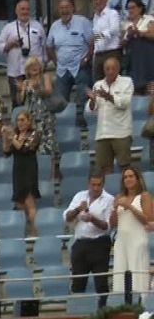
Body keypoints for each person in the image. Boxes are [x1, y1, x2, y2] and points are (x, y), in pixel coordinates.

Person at [65, 172, 117, 297]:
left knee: (101, 283)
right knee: (78, 282)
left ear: (103, 184)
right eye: (93, 184)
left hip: (100, 243)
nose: (96, 188)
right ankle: (77, 312)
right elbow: (67, 217)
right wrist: (78, 209)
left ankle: (104, 312)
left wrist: (92, 219)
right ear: (88, 184)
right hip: (80, 243)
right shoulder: (79, 196)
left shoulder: (109, 199)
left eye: (99, 185)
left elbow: (108, 226)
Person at [112, 167, 153, 302]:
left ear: (137, 179)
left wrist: (129, 206)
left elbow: (148, 219)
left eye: (131, 176)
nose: (128, 179)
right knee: (120, 274)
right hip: (121, 241)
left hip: (137, 240)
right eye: (125, 177)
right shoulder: (119, 197)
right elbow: (112, 223)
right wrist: (114, 208)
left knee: (137, 273)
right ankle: (120, 304)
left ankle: (140, 303)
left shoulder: (144, 196)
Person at [90, 55, 136, 176]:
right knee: (103, 170)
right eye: (107, 68)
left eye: (113, 68)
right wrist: (92, 100)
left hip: (121, 133)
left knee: (125, 168)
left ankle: (125, 194)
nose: (110, 71)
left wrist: (108, 96)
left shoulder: (127, 82)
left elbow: (124, 103)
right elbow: (91, 110)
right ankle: (108, 194)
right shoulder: (97, 84)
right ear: (104, 70)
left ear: (118, 69)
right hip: (102, 134)